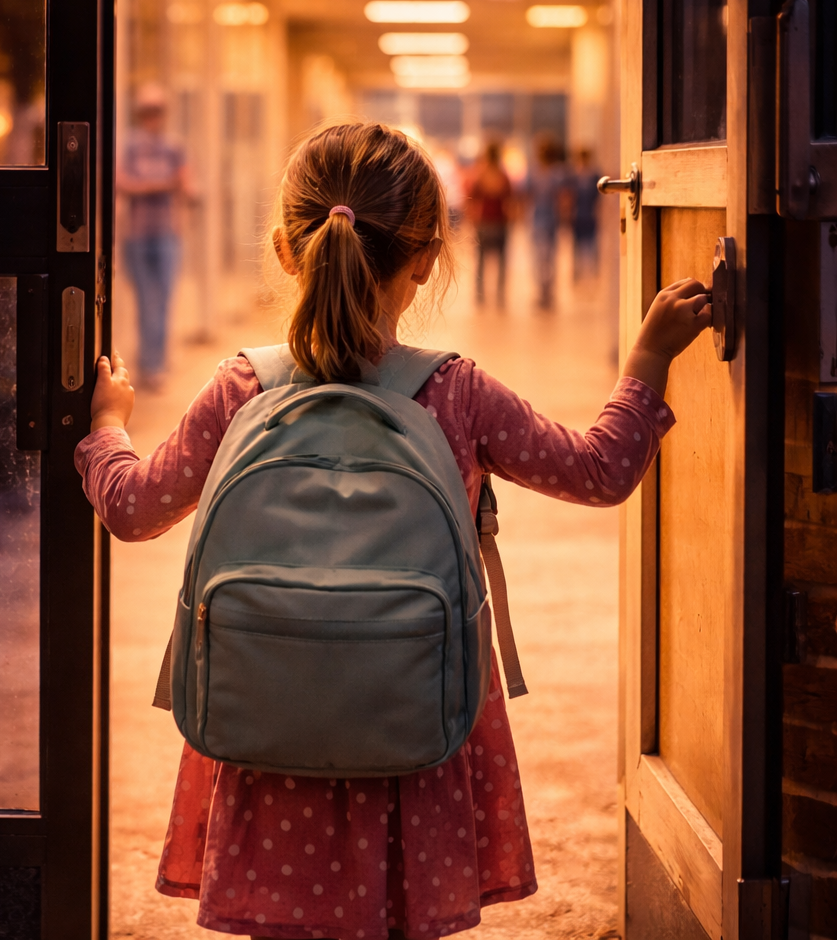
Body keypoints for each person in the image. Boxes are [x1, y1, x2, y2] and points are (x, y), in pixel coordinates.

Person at [77, 121, 711, 940]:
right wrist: (649, 359)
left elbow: (131, 509)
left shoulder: (241, 387)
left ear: (284, 248)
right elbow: (597, 471)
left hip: (270, 711)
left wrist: (106, 426)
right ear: (425, 259)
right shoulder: (454, 392)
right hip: (418, 713)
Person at [118, 84, 189, 389]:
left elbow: (186, 183)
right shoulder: (129, 146)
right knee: (147, 300)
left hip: (167, 233)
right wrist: (164, 184)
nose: (152, 117)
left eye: (157, 111)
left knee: (164, 299)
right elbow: (123, 183)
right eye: (147, 111)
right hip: (136, 234)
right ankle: (149, 362)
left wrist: (150, 184)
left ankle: (155, 362)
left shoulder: (174, 147)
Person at [464, 141, 512, 305]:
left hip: (484, 222)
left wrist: (472, 219)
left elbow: (471, 200)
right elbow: (510, 200)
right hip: (500, 222)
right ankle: (499, 294)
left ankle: (480, 295)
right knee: (502, 260)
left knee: (481, 261)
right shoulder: (503, 175)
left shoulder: (480, 175)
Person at [528, 136, 566, 309]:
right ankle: (543, 292)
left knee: (546, 258)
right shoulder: (545, 173)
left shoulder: (554, 174)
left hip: (548, 220)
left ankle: (547, 292)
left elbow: (563, 199)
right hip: (540, 220)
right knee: (541, 258)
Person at [569, 147, 603, 281]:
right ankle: (577, 275)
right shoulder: (574, 176)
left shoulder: (594, 176)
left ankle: (592, 274)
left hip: (590, 216)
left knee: (592, 247)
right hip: (578, 217)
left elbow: (598, 198)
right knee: (577, 248)